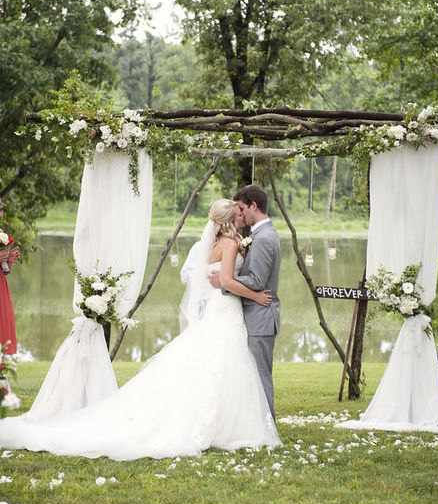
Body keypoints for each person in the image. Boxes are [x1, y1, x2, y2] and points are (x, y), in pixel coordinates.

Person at [0, 199, 281, 460]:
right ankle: (225, 426)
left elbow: (217, 277)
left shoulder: (213, 243)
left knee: (217, 367)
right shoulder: (231, 244)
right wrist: (256, 296)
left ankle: (223, 422)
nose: (242, 216)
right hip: (225, 311)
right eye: (238, 214)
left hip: (220, 312)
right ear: (230, 220)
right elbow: (228, 282)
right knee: (224, 365)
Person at [210, 185, 281, 419]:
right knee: (250, 376)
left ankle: (267, 426)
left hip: (260, 316)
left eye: (241, 208)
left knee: (260, 378)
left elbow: (258, 280)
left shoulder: (264, 238)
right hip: (252, 315)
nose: (239, 214)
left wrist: (225, 281)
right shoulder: (258, 235)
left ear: (253, 206)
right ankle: (253, 422)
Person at [0, 198, 20, 356]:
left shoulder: (1, 233)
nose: (1, 213)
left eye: (1, 209)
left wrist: (9, 260)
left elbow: (5, 270)